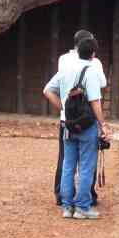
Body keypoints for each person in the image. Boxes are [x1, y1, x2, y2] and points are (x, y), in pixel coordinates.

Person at [44, 37, 110, 219]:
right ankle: (82, 206)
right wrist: (102, 124)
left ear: (77, 50)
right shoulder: (92, 71)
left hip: (67, 124)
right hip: (86, 125)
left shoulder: (65, 69)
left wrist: (63, 108)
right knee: (86, 166)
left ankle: (67, 207)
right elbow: (95, 102)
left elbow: (47, 90)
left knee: (68, 165)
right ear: (93, 54)